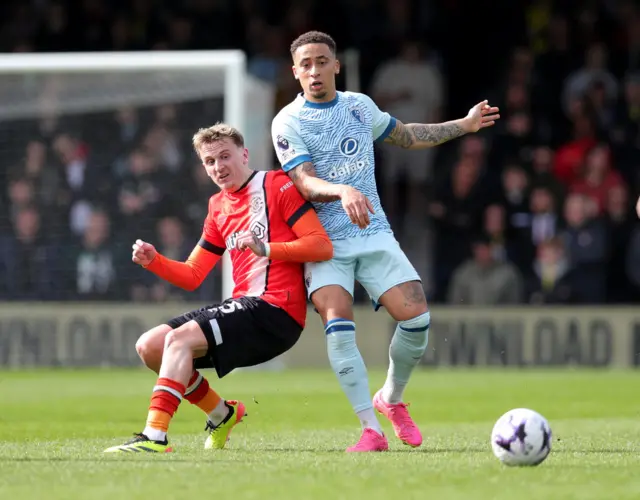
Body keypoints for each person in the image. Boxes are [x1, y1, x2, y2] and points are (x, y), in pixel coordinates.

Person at [271, 31, 500, 452]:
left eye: (322, 61)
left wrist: (465, 126)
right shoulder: (288, 121)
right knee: (339, 324)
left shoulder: (359, 106)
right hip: (324, 242)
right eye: (306, 64)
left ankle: (391, 400)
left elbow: (407, 135)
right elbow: (301, 182)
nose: (314, 70)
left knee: (417, 320)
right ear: (295, 72)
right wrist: (342, 190)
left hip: (372, 232)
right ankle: (369, 430)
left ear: (336, 65)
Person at [104, 123, 333, 453]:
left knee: (178, 340)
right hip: (245, 306)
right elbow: (194, 273)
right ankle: (221, 413)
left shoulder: (278, 185)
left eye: (225, 156)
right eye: (210, 161)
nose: (218, 167)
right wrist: (154, 261)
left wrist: (267, 248)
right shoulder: (217, 207)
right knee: (150, 346)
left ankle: (154, 435)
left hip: (276, 311)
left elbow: (321, 245)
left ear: (244, 154)